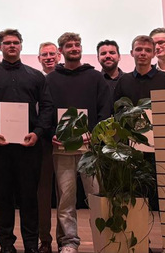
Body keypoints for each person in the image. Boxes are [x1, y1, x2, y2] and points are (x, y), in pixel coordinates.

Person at [0, 28, 53, 253]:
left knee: (29, 198)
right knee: (2, 199)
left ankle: (31, 245)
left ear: (21, 46)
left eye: (15, 42)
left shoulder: (35, 76)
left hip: (29, 146)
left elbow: (47, 107)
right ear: (0, 47)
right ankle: (6, 244)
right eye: (7, 43)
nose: (12, 46)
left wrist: (38, 132)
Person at [47, 33, 113, 253]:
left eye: (77, 45)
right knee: (66, 200)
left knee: (96, 197)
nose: (74, 48)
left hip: (90, 149)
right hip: (61, 148)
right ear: (61, 50)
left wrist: (95, 133)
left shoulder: (95, 77)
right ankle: (69, 242)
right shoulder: (50, 79)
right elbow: (46, 110)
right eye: (69, 45)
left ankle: (104, 241)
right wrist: (51, 133)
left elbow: (105, 109)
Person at [114, 36, 165, 213]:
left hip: (161, 147)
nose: (143, 53)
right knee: (136, 196)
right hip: (131, 147)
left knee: (161, 196)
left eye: (148, 50)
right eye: (139, 49)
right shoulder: (123, 81)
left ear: (154, 53)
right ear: (131, 53)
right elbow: (116, 112)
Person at [35, 42, 60, 253]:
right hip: (42, 144)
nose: (49, 57)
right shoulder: (35, 79)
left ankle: (66, 240)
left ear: (59, 56)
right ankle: (45, 239)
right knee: (43, 194)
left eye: (52, 54)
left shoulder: (65, 80)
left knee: (66, 194)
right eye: (44, 54)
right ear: (39, 58)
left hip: (66, 142)